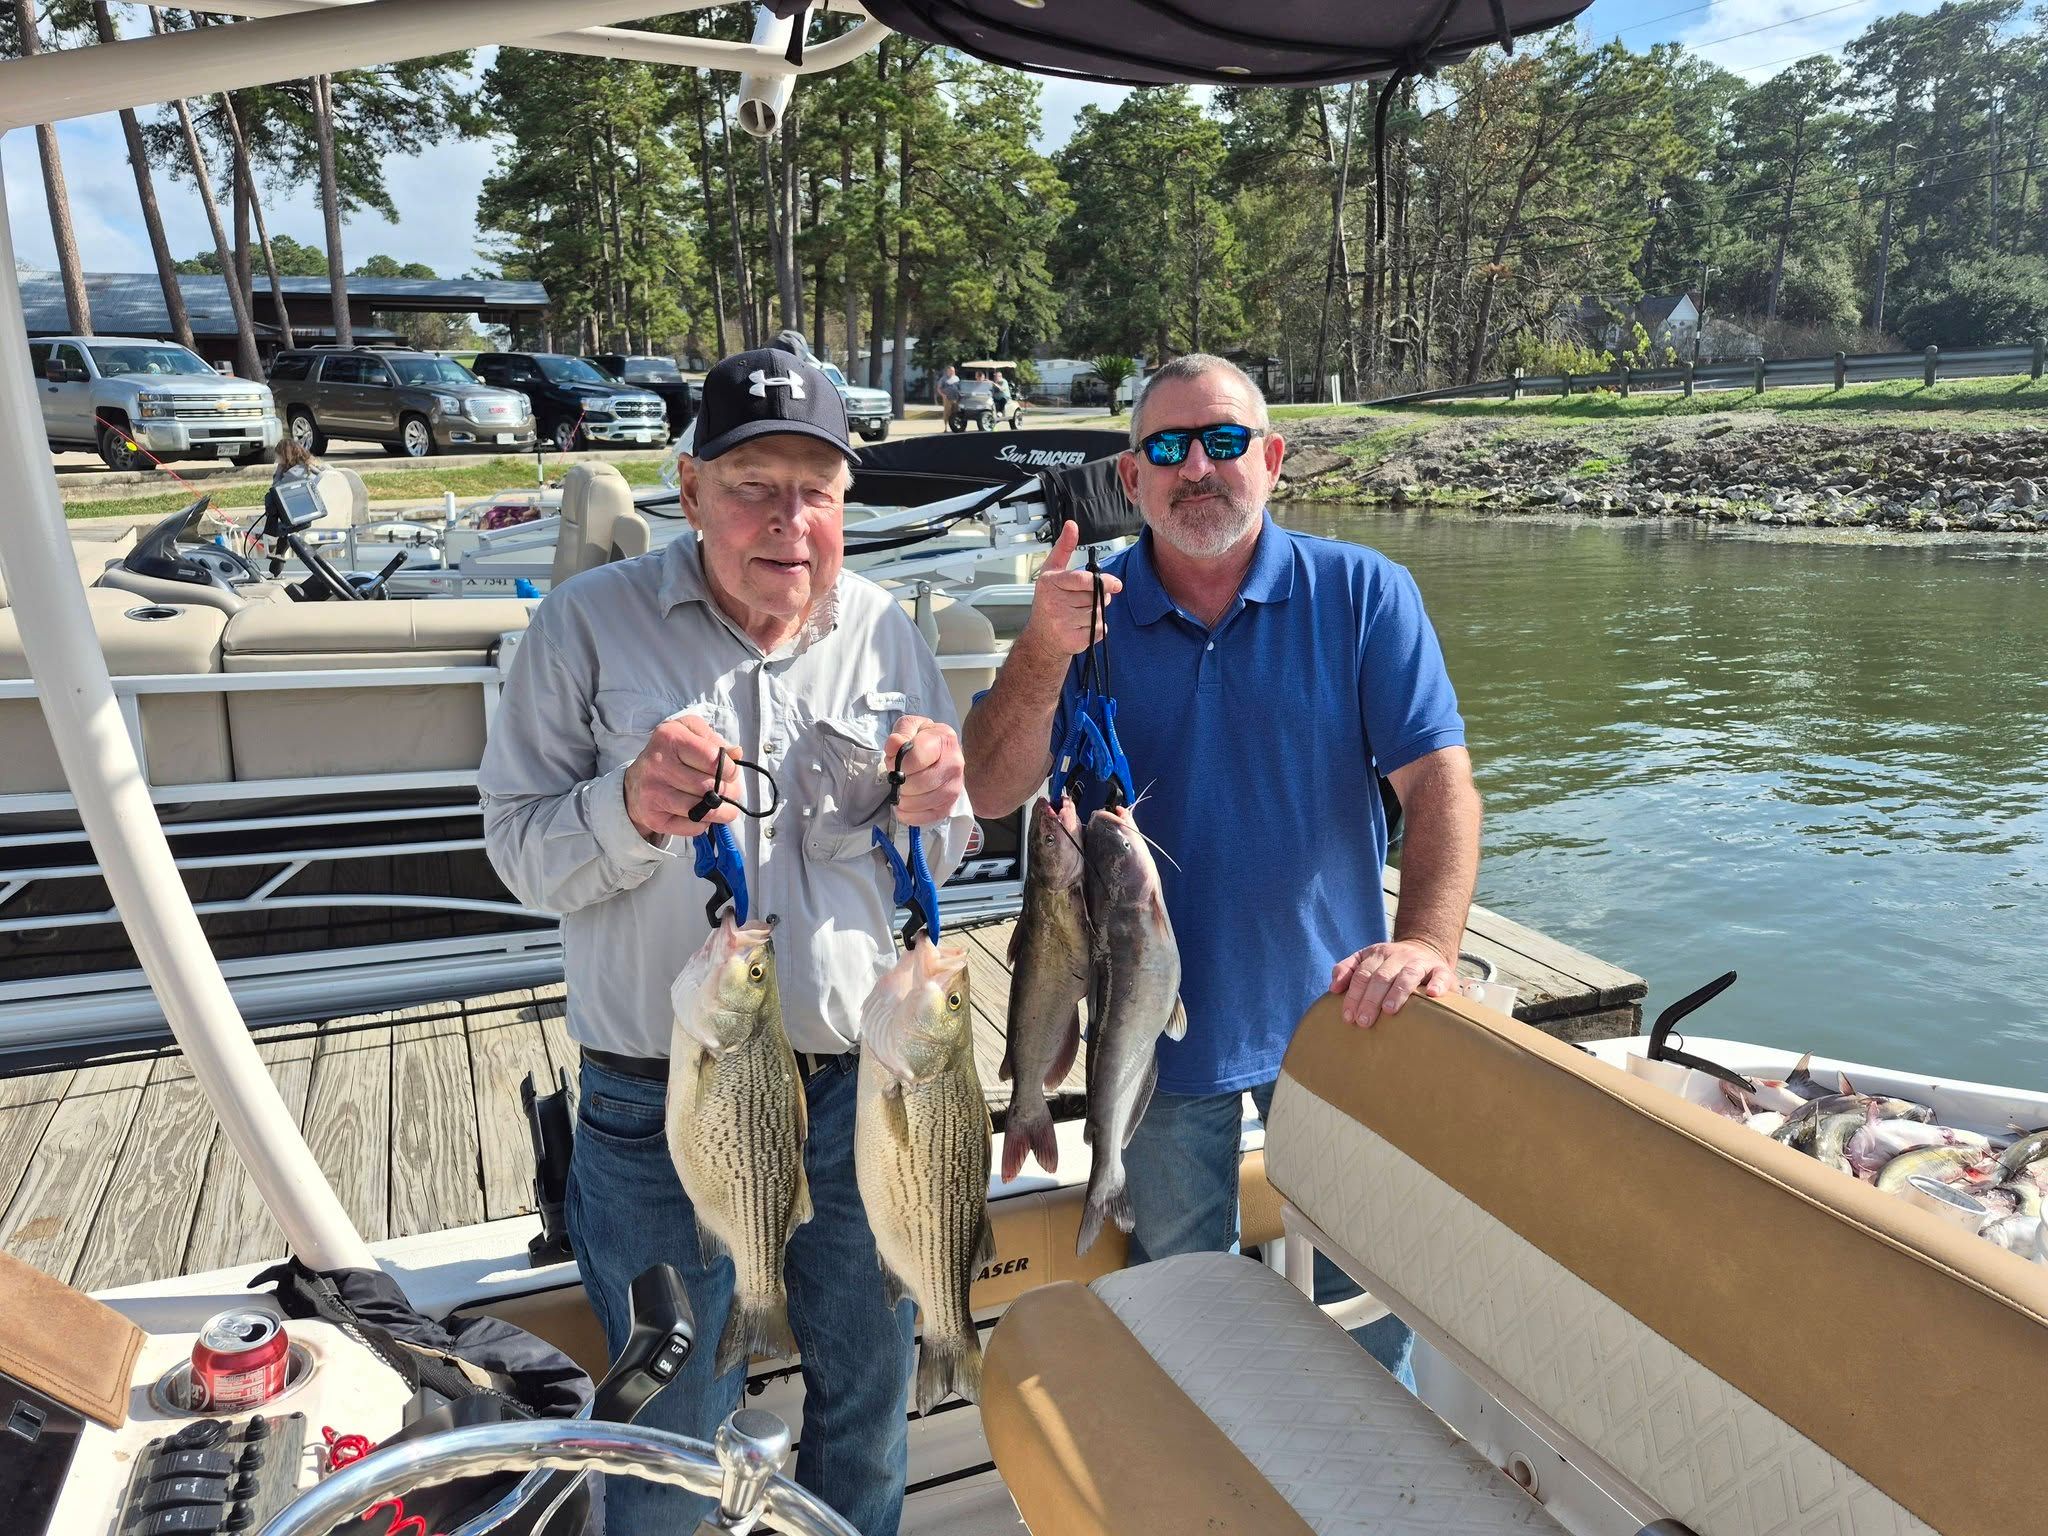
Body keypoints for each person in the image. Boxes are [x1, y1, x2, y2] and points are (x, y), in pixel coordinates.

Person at [479, 345, 973, 1536]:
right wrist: (631, 808)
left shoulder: (885, 632)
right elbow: (515, 849)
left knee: (868, 1393)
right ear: (689, 489)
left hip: (868, 1091)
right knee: (663, 1422)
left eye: (815, 488)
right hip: (660, 1104)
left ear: (845, 501)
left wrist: (940, 806)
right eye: (753, 483)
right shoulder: (582, 626)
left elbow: (942, 847)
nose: (786, 521)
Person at [962, 352, 1481, 1387]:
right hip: (1148, 1041)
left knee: (1367, 1310)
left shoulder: (1363, 593)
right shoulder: (1085, 615)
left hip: (1341, 1023)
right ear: (1130, 477)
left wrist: (1423, 944)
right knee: (1183, 1314)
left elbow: (1440, 790)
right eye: (1166, 447)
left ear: (1272, 459)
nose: (1196, 466)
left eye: (1224, 440)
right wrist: (1040, 652)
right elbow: (985, 789)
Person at [936, 364, 960, 430]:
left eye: (954, 370)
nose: (953, 372)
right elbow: (938, 388)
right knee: (947, 413)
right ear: (948, 371)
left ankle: (955, 427)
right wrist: (943, 395)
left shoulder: (957, 378)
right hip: (947, 398)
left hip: (956, 398)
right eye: (951, 370)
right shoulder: (943, 379)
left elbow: (959, 387)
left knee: (955, 412)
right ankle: (945, 427)